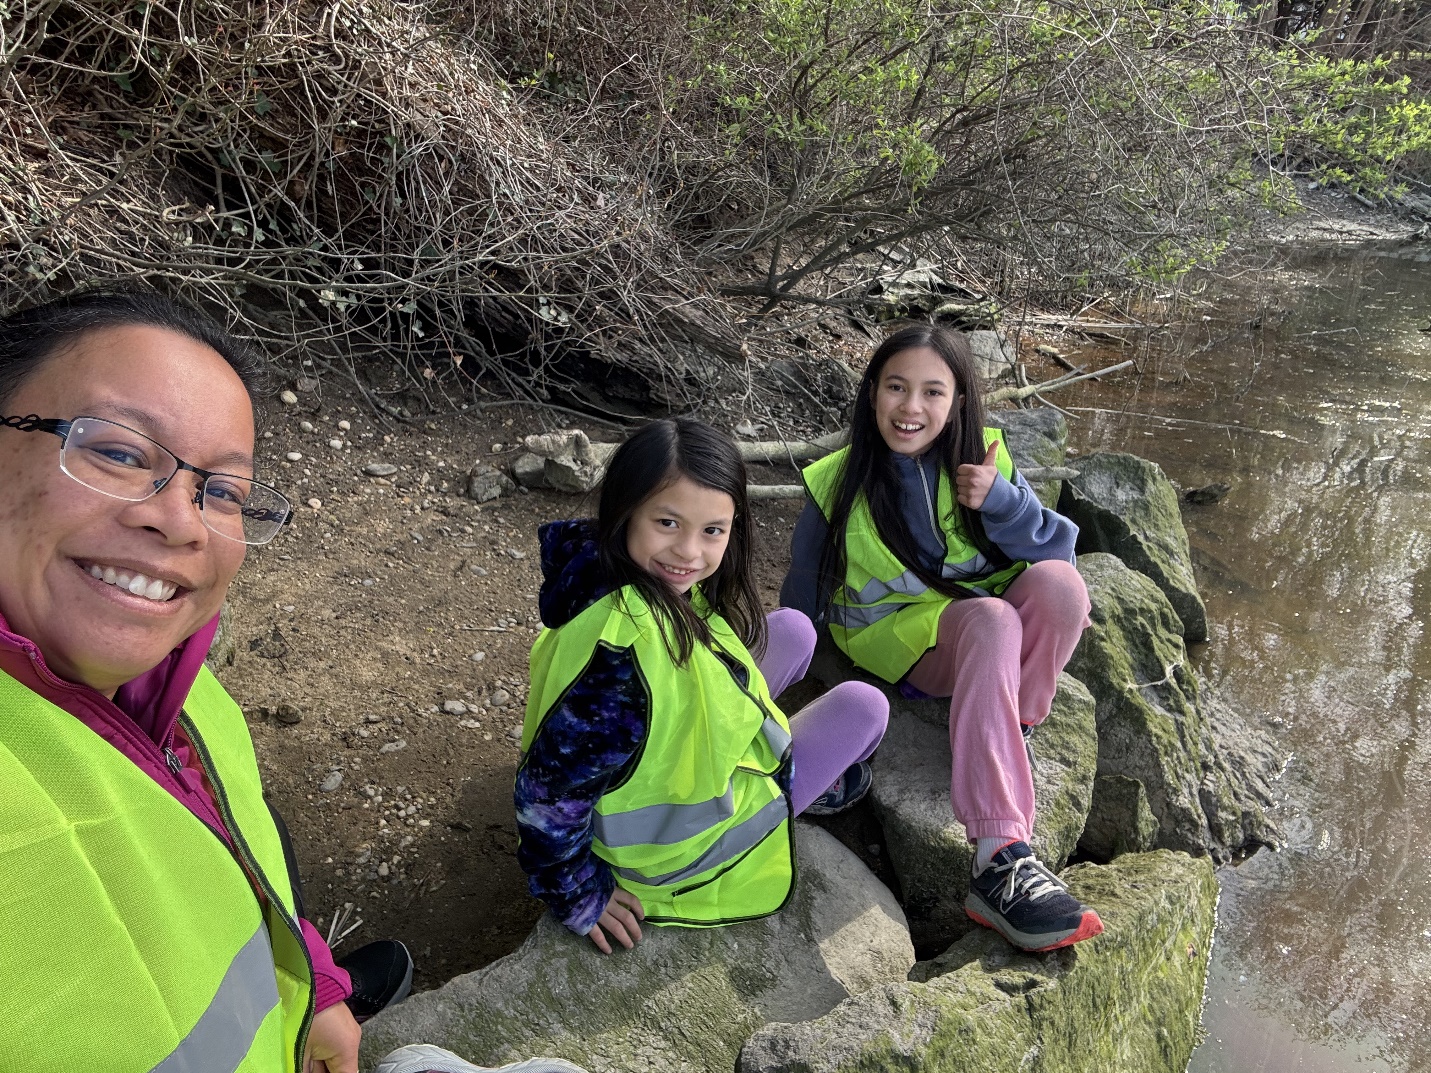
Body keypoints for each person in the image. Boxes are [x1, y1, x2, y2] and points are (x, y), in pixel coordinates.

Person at [0, 291, 583, 1073]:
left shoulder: (178, 685)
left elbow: (220, 839)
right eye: (120, 452)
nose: (180, 520)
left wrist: (313, 982)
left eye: (223, 492)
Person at [780, 324, 1103, 953]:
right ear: (872, 392)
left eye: (933, 392)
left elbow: (1057, 552)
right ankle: (999, 857)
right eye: (896, 387)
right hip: (903, 640)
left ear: (957, 402)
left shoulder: (984, 459)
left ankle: (1008, 724)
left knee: (1062, 589)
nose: (911, 407)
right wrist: (789, 700)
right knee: (993, 619)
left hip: (978, 632)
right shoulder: (835, 482)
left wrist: (1001, 501)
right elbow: (801, 597)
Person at [515, 418, 889, 951]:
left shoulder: (603, 569)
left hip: (651, 766)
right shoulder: (618, 669)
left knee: (793, 629)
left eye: (713, 530)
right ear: (625, 509)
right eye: (668, 522)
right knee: (865, 706)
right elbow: (546, 798)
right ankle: (802, 791)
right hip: (663, 851)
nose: (689, 552)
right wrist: (577, 893)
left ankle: (799, 770)